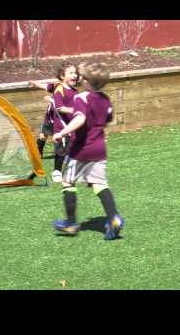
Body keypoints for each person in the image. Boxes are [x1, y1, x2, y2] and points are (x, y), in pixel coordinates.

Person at [52, 62, 124, 240]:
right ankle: (114, 217)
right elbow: (107, 119)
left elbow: (80, 118)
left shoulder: (81, 98)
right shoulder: (105, 99)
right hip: (99, 149)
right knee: (100, 184)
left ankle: (71, 223)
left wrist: (62, 132)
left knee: (68, 182)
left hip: (81, 149)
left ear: (86, 81)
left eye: (81, 76)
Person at [29, 63, 79, 182]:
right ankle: (54, 168)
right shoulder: (59, 88)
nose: (74, 75)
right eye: (71, 73)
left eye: (75, 73)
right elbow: (59, 107)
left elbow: (48, 88)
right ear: (62, 76)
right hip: (52, 117)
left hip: (62, 121)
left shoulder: (74, 92)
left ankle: (59, 166)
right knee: (44, 135)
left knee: (62, 145)